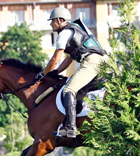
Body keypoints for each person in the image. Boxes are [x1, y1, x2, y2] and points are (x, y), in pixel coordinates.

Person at [35, 7, 107, 138]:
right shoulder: (75, 30)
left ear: (61, 20)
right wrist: (56, 72)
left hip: (92, 62)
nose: (51, 24)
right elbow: (68, 60)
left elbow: (54, 59)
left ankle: (71, 127)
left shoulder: (64, 33)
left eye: (53, 21)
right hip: (104, 62)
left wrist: (43, 74)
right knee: (78, 90)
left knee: (68, 90)